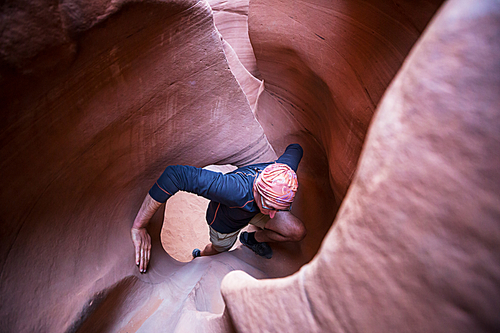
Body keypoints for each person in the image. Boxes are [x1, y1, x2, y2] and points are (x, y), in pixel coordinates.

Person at [131, 144, 306, 273]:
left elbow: (295, 149)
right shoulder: (234, 190)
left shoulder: (285, 173)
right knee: (218, 249)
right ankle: (199, 255)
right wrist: (139, 226)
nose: (274, 214)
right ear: (258, 189)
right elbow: (175, 175)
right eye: (271, 206)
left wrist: (272, 205)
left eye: (280, 208)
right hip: (225, 222)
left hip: (253, 212)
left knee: (297, 231)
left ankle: (251, 239)